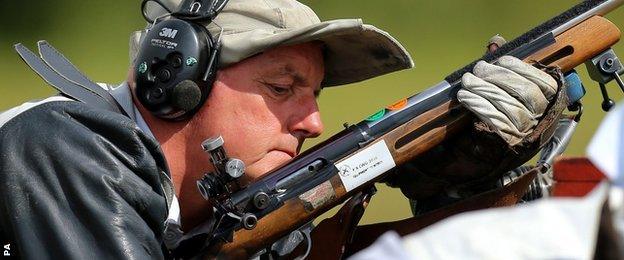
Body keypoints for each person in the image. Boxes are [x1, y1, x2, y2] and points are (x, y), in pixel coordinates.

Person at [0, 0, 561, 258]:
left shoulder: (230, 217)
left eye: (314, 93)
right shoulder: (63, 149)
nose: (313, 121)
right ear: (176, 79)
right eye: (281, 88)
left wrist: (459, 189)